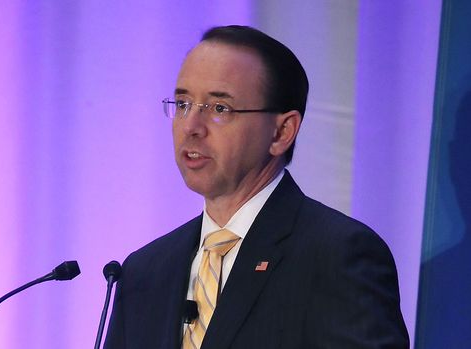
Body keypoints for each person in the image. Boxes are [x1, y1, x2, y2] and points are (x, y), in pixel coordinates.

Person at [104, 25, 409, 348]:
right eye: (183, 104)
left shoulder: (336, 256)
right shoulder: (145, 272)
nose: (191, 127)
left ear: (281, 132)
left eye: (219, 109)